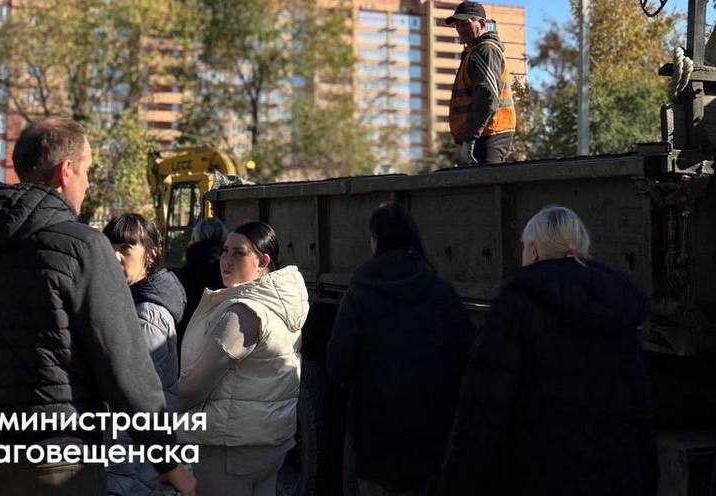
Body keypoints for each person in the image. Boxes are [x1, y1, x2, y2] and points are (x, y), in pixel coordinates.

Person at [0, 117, 196, 496]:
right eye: (88, 171)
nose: (88, 183)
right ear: (66, 171)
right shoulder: (83, 248)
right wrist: (169, 459)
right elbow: (126, 371)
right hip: (60, 464)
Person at [437, 206, 658, 496]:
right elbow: (640, 407)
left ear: (533, 250)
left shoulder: (516, 306)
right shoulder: (616, 306)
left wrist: (455, 484)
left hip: (536, 476)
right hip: (611, 477)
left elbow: (482, 409)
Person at [326, 203, 473, 496]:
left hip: (375, 438)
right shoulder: (440, 290)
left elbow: (338, 362)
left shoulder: (360, 290)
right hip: (431, 438)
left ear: (375, 240)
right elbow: (466, 356)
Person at [178, 221, 309, 496]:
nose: (226, 260)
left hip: (229, 446)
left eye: (239, 253)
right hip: (268, 442)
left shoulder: (243, 313)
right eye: (225, 251)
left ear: (263, 261)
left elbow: (194, 385)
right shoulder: (281, 303)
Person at [104, 213, 187, 496]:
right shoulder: (128, 302)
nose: (115, 257)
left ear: (150, 255)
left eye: (126, 249)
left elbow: (131, 394)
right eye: (110, 248)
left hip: (130, 459)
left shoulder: (147, 315)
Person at [444, 0, 516, 166]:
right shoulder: (475, 52)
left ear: (482, 23)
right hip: (482, 134)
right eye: (457, 25)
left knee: (487, 188)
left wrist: (469, 140)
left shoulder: (485, 51)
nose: (460, 29)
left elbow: (486, 98)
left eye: (465, 23)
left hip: (490, 134)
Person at [175, 217, 227, 343]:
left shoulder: (182, 274)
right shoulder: (228, 270)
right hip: (222, 341)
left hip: (187, 342)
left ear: (195, 236)